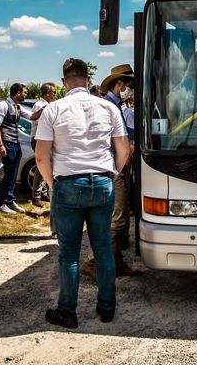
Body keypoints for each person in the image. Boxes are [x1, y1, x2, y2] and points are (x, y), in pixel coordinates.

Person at [35, 58, 129, 328]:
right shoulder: (108, 108)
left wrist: (54, 185)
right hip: (101, 182)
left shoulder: (53, 110)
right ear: (88, 80)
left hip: (68, 183)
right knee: (103, 250)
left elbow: (41, 157)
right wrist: (112, 174)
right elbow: (123, 149)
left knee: (69, 253)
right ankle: (107, 306)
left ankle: (67, 311)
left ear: (64, 82)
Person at [80, 64, 141, 279]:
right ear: (119, 84)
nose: (131, 90)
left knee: (121, 219)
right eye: (130, 86)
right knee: (117, 220)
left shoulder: (117, 106)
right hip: (112, 170)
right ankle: (92, 263)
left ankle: (117, 263)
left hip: (117, 169)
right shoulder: (108, 107)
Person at [0, 83, 31, 214]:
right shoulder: (3, 105)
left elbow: (31, 116)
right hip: (7, 142)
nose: (26, 95)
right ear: (18, 93)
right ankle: (0, 203)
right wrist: (1, 145)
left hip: (15, 142)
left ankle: (9, 200)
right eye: (24, 92)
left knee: (13, 174)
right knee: (8, 174)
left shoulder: (17, 107)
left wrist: (45, 110)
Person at [29, 83, 57, 207]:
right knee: (41, 167)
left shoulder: (49, 105)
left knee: (47, 166)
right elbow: (35, 118)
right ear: (47, 93)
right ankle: (35, 196)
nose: (55, 94)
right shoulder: (40, 105)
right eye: (53, 92)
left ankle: (43, 192)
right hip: (39, 138)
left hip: (45, 138)